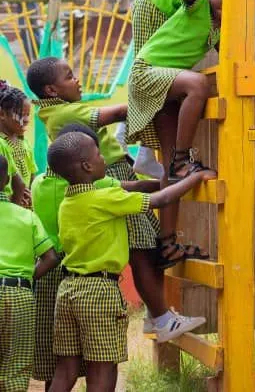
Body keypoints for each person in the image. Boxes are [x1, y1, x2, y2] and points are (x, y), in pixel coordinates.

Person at [25, 58, 205, 341]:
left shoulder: (59, 110)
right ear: (51, 90)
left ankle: (155, 314)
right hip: (110, 174)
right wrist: (160, 91)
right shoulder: (64, 115)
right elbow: (119, 112)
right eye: (70, 76)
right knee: (141, 250)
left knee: (145, 246)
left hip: (116, 172)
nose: (78, 80)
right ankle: (160, 317)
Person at [47, 131, 214, 392]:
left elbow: (136, 188)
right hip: (98, 292)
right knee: (103, 367)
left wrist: (162, 180)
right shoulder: (104, 199)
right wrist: (195, 177)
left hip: (68, 290)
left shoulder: (68, 203)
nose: (104, 158)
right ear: (87, 166)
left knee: (65, 369)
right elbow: (161, 200)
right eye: (99, 153)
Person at [128, 0, 255, 166]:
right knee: (187, 86)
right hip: (155, 5)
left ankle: (170, 161)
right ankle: (156, 154)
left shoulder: (218, 18)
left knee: (173, 96)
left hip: (168, 54)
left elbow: (228, 51)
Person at [125, 0, 223, 257]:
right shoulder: (197, 4)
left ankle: (166, 244)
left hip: (165, 85)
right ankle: (183, 158)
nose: (223, 1)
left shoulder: (218, 28)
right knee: (198, 83)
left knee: (169, 172)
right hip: (146, 73)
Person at [31, 124, 120, 389]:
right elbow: (139, 188)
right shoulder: (97, 187)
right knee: (102, 359)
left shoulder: (38, 183)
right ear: (84, 164)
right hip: (86, 272)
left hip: (49, 275)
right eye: (96, 153)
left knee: (58, 361)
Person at [0, 152, 59, 392]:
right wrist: (26, 278)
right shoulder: (26, 216)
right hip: (20, 295)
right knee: (16, 366)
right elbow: (50, 257)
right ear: (5, 181)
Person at [0, 81, 33, 205]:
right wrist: (16, 200)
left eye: (27, 115)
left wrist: (30, 193)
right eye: (21, 115)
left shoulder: (24, 142)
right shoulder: (1, 143)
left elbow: (32, 171)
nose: (26, 120)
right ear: (2, 114)